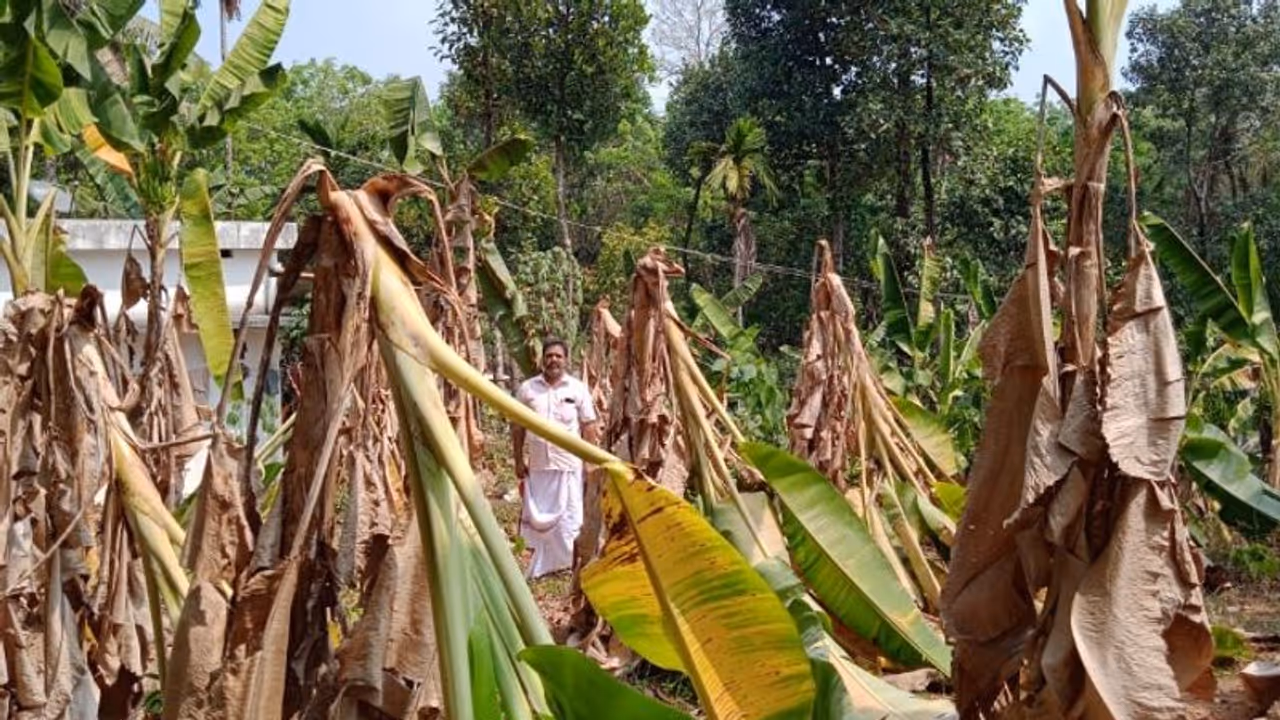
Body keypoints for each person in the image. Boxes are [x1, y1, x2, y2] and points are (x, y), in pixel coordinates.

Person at [512, 338, 599, 578]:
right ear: (542, 359)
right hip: (539, 465)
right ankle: (543, 566)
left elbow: (588, 425)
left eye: (558, 356)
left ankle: (568, 565)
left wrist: (589, 461)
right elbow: (517, 426)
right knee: (540, 518)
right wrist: (518, 460)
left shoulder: (577, 389)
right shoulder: (528, 389)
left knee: (570, 518)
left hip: (568, 465)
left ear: (566, 360)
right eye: (549, 356)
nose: (553, 360)